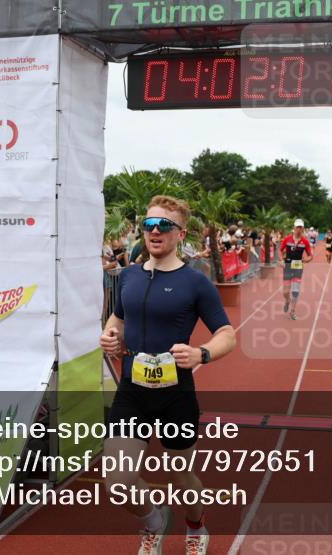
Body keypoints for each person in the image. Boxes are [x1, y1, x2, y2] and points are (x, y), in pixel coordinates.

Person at [99, 195, 236, 555]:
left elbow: (227, 334)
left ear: (180, 233)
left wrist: (201, 353)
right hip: (133, 391)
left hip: (176, 394)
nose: (154, 231)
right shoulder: (127, 276)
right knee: (116, 480)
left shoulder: (195, 282)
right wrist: (111, 337)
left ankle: (196, 526)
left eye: (164, 225)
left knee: (181, 477)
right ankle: (154, 520)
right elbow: (119, 319)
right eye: (148, 224)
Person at [280, 219, 313, 320]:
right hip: (288, 267)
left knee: (295, 291)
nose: (299, 229)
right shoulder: (287, 239)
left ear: (302, 229)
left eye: (301, 227)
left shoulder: (305, 242)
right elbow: (280, 251)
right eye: (297, 227)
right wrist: (281, 261)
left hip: (298, 267)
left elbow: (310, 255)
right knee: (285, 292)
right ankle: (287, 301)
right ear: (294, 228)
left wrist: (306, 260)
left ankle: (293, 311)